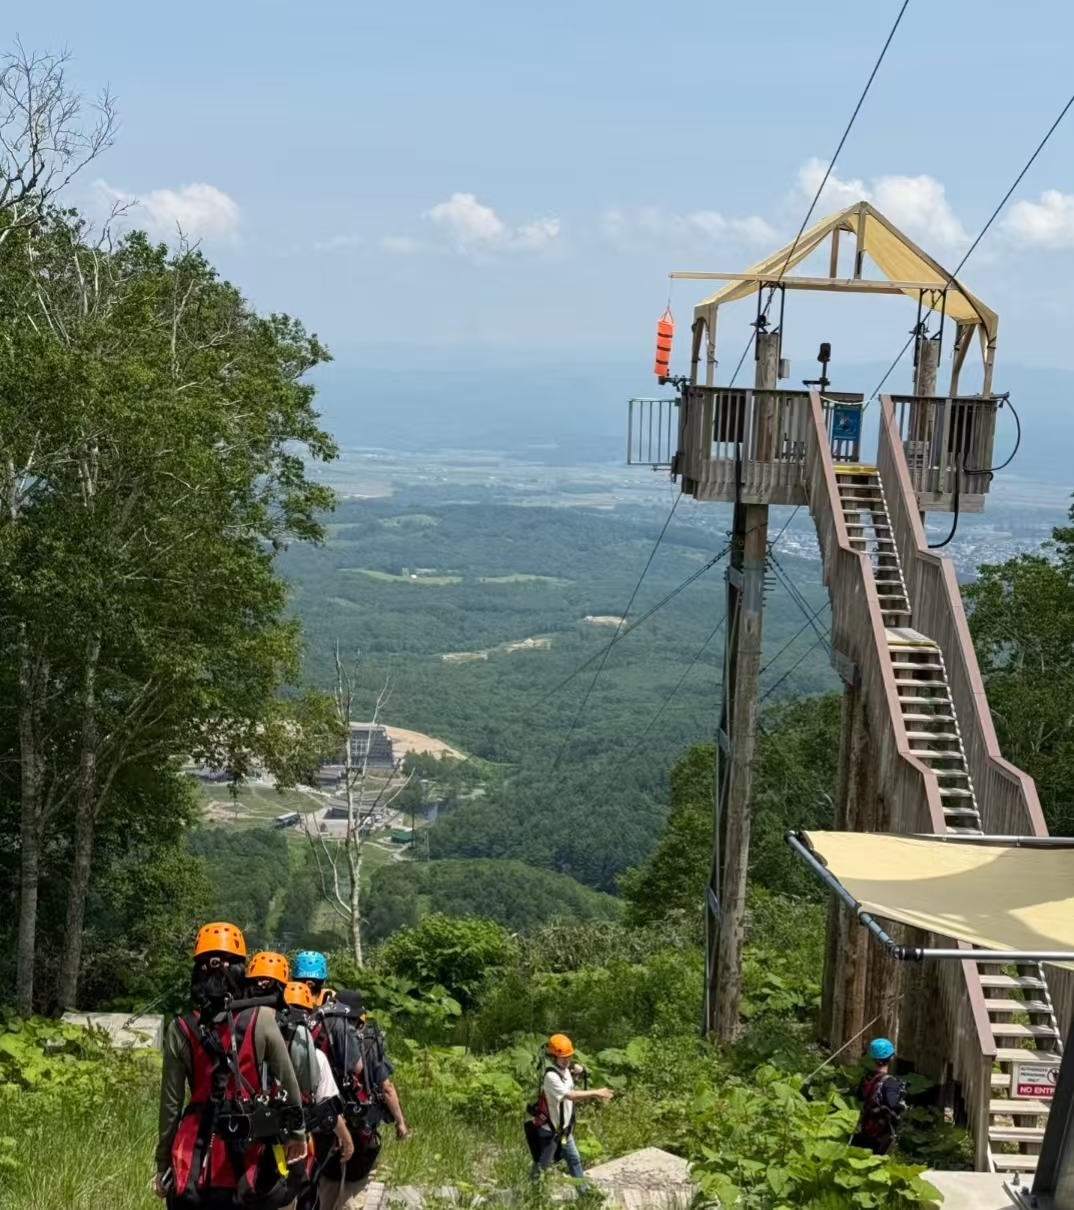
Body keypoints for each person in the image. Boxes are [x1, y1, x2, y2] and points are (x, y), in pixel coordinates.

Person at [154, 922, 308, 1209]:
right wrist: (297, 1135)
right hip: (245, 1154)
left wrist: (163, 1162)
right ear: (239, 970)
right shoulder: (262, 1019)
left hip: (192, 1162)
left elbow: (170, 1108)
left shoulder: (180, 1028)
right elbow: (289, 1086)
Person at [312, 986, 409, 1210]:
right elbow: (386, 1088)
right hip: (359, 1120)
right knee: (357, 1182)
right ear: (359, 1017)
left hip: (326, 1118)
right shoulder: (367, 1041)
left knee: (328, 1178)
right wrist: (400, 1122)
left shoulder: (319, 1031)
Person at [280, 982, 354, 1210]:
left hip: (261, 1141)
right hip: (300, 1141)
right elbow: (328, 1106)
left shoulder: (258, 1044)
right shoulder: (317, 1057)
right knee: (302, 1191)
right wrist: (347, 1141)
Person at [528, 1034, 613, 1184]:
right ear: (554, 1056)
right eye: (563, 1058)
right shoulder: (550, 1077)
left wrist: (577, 1074)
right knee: (543, 1167)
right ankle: (532, 1197)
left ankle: (585, 1194)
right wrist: (596, 1092)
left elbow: (568, 1085)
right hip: (550, 1132)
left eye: (569, 1056)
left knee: (574, 1160)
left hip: (564, 1131)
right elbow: (570, 1095)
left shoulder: (566, 1070)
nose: (566, 1060)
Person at [851, 1037, 906, 1156]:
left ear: (873, 1058)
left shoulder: (867, 1078)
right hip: (881, 1131)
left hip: (865, 1125)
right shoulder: (890, 1082)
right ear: (891, 1057)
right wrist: (902, 1105)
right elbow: (893, 1104)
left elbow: (860, 1097)